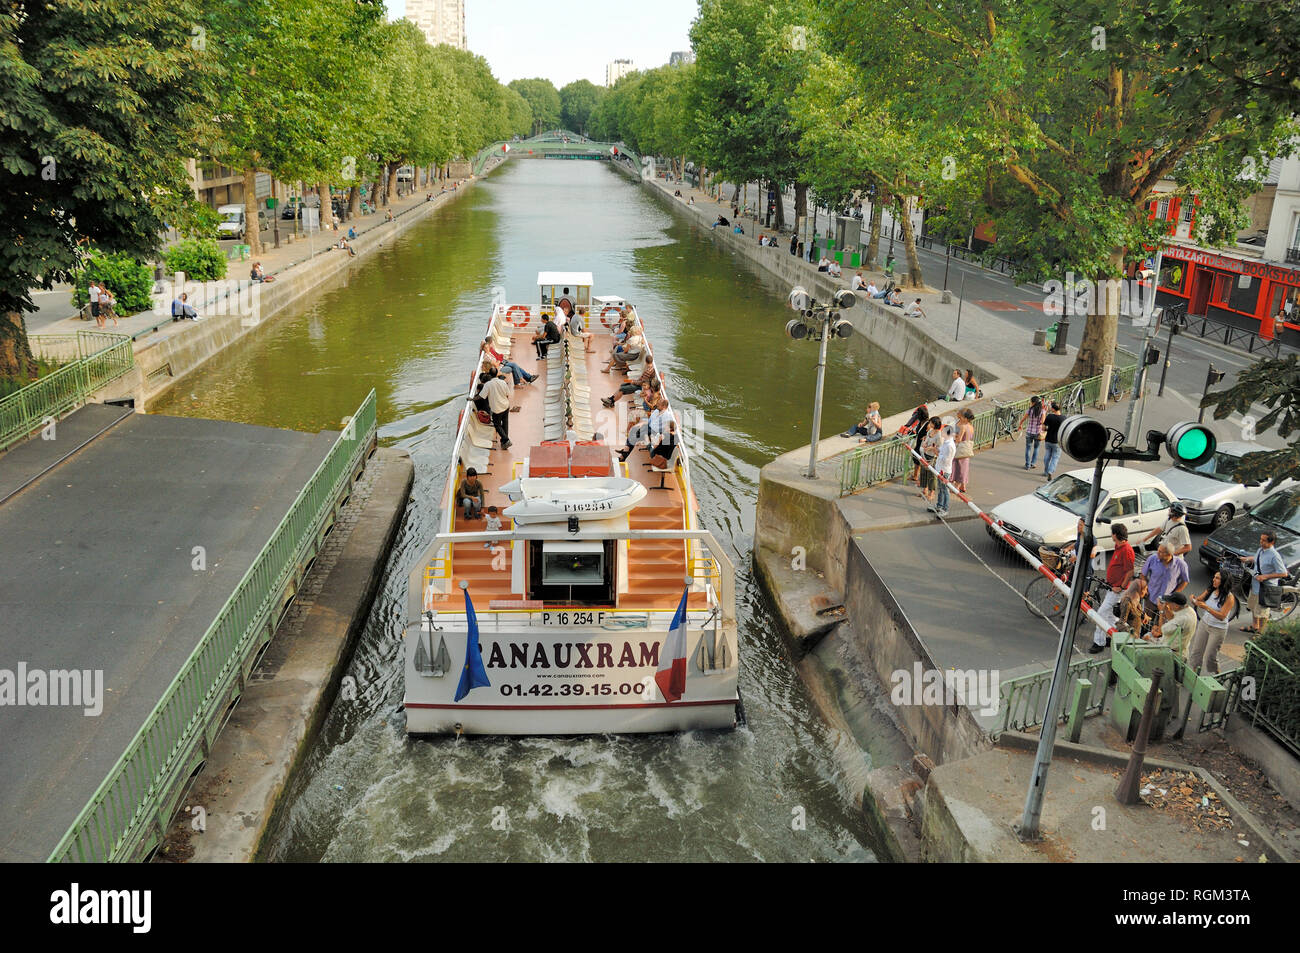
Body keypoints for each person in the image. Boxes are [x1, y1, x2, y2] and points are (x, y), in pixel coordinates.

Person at [1090, 522, 1135, 652]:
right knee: (1108, 615)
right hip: (1113, 587)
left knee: (1101, 614)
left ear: (1115, 535)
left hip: (1117, 590)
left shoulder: (1126, 551)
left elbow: (1129, 572)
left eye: (1112, 533)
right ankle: (1121, 633)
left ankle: (1099, 643)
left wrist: (1121, 587)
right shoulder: (1119, 546)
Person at [1241, 530, 1289, 633]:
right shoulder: (1261, 550)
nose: (1261, 542)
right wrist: (1247, 559)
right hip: (1255, 585)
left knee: (1262, 613)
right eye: (1260, 539)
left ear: (1271, 542)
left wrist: (1265, 576)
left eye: (1264, 540)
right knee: (1254, 608)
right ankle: (1255, 627)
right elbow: (1257, 559)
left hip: (1265, 589)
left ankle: (1260, 633)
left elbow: (1284, 573)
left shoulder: (1274, 556)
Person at [1188, 571, 1235, 674]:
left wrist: (1207, 608)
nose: (1214, 580)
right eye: (1214, 577)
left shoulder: (1229, 597)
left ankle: (1218, 675)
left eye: (1217, 578)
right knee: (1197, 651)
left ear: (1224, 582)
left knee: (1210, 656)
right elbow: (1199, 600)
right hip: (1204, 624)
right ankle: (1194, 675)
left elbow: (1222, 616)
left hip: (1218, 629)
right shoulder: (1210, 590)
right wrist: (1193, 599)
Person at [1139, 542, 1190, 620]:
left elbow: (1185, 581)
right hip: (1151, 598)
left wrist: (1174, 595)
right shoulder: (1152, 559)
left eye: (1160, 552)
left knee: (1162, 626)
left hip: (1167, 603)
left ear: (1169, 554)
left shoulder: (1181, 565)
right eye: (1158, 550)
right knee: (1146, 623)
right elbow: (1143, 574)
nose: (1157, 553)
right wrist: (1144, 588)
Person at [1148, 591, 1196, 656]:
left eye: (1170, 603)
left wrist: (1161, 611)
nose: (1168, 604)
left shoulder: (1183, 619)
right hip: (1181, 649)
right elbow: (1173, 618)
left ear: (1176, 606)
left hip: (1172, 653)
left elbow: (1161, 630)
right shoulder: (1189, 610)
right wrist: (1166, 609)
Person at [929, 425, 956, 517]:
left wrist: (937, 453)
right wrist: (936, 449)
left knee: (945, 490)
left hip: (944, 471)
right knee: (940, 489)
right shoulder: (946, 442)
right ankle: (939, 505)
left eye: (943, 432)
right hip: (940, 468)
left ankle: (945, 508)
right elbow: (941, 451)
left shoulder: (950, 446)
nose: (942, 433)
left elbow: (946, 460)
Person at [918, 417, 943, 503]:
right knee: (923, 472)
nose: (930, 424)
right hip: (925, 454)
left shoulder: (939, 435)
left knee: (931, 474)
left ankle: (932, 492)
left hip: (932, 456)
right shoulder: (930, 431)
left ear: (935, 424)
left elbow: (939, 447)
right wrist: (925, 445)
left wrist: (930, 448)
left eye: (931, 423)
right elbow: (926, 440)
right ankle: (924, 489)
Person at [952, 409, 975, 493]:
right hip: (967, 449)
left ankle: (956, 487)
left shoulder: (963, 427)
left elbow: (959, 439)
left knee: (958, 468)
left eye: (961, 417)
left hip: (960, 449)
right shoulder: (971, 426)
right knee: (964, 468)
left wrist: (954, 436)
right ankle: (963, 485)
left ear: (965, 418)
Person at [1023, 395, 1045, 470]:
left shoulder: (1030, 410)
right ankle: (1033, 463)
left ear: (1033, 403)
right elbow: (1042, 422)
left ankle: (1027, 465)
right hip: (1038, 433)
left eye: (1031, 402)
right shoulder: (1042, 411)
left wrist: (1020, 424)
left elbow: (1024, 418)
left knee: (1028, 448)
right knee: (1036, 448)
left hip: (1029, 432)